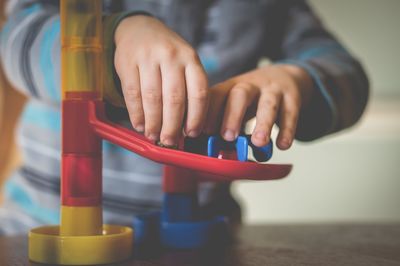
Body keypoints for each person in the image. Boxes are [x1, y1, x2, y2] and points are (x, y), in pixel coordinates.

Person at [0, 0, 369, 235]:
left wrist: (297, 79)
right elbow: (17, 39)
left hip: (202, 236)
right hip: (40, 228)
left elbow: (346, 72)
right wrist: (112, 39)